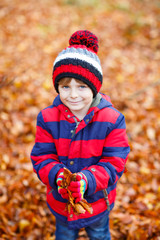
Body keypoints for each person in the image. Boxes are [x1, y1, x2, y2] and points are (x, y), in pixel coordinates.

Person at [30, 30, 130, 240]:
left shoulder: (112, 119)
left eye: (82, 86)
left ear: (95, 88)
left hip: (97, 202)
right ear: (57, 87)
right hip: (61, 202)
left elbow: (115, 162)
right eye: (65, 86)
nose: (73, 94)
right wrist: (58, 175)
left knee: (100, 235)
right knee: (65, 235)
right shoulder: (47, 118)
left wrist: (88, 180)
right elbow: (42, 156)